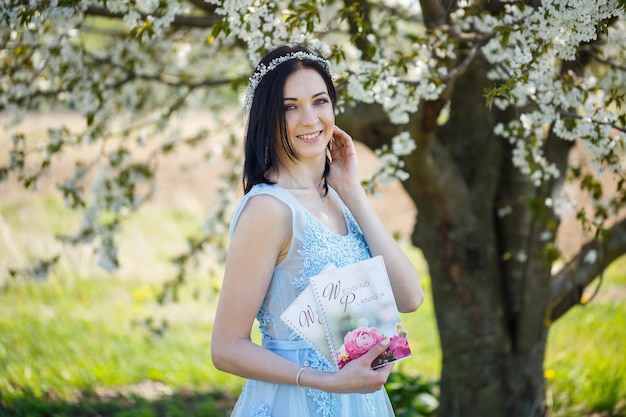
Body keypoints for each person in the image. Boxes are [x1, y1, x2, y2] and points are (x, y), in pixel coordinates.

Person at [211, 44, 424, 417]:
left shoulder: (339, 199)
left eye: (320, 101)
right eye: (290, 106)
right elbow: (226, 347)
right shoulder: (269, 209)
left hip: (360, 404)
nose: (309, 119)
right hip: (296, 403)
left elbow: (409, 297)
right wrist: (329, 382)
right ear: (267, 117)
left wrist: (354, 192)